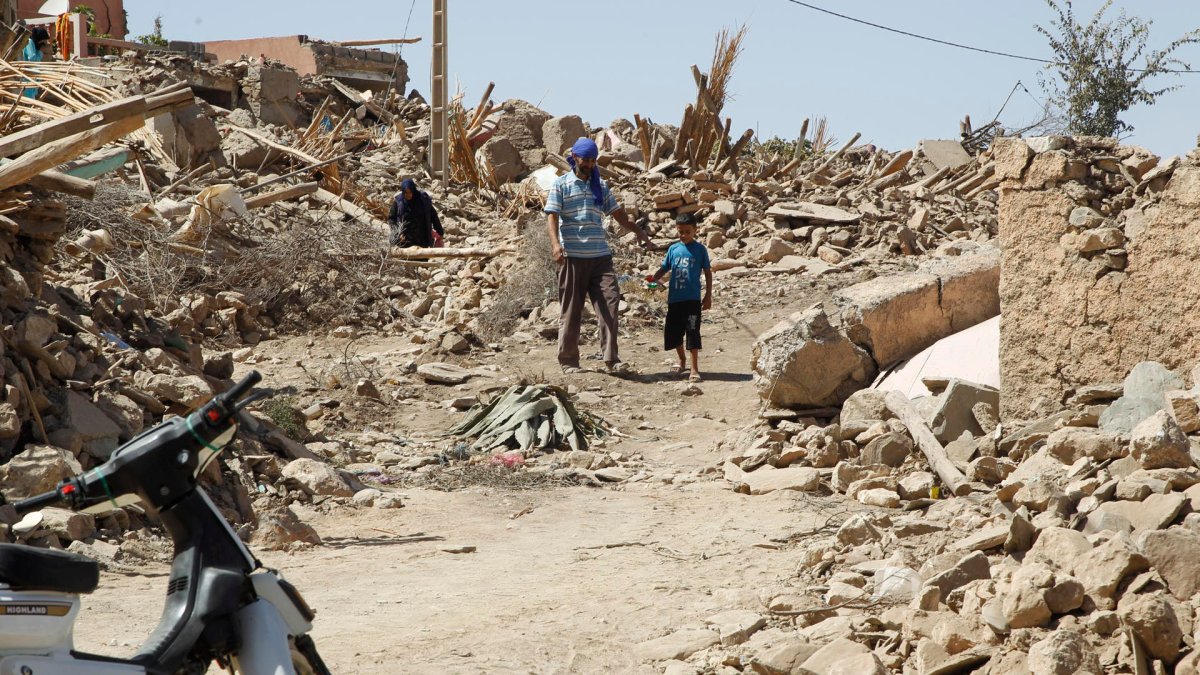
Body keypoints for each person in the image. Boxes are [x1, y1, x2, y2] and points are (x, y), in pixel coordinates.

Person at [545, 137, 654, 374]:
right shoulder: (561, 185)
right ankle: (569, 361)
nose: (590, 164)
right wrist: (555, 245)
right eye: (586, 160)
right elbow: (552, 216)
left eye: (594, 160)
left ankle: (611, 360)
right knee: (571, 310)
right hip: (572, 256)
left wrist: (639, 231)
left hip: (600, 257)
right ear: (574, 157)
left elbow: (619, 215)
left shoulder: (600, 186)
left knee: (610, 304)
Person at [646, 213, 712, 383]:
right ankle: (682, 360)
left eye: (687, 232)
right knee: (674, 332)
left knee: (692, 331)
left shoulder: (700, 250)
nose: (683, 235)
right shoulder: (673, 249)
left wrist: (708, 295)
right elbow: (664, 268)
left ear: (695, 230)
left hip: (692, 301)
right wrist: (653, 279)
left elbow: (708, 272)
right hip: (675, 300)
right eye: (680, 232)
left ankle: (695, 368)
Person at [387, 178, 444, 248]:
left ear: (413, 190)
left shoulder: (423, 200)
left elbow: (433, 216)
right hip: (405, 240)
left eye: (410, 192)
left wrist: (440, 232)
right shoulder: (399, 202)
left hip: (422, 239)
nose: (408, 195)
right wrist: (397, 233)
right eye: (406, 193)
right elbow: (391, 219)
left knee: (422, 257)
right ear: (403, 192)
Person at [21, 27, 50, 100]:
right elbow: (32, 59)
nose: (44, 42)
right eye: (43, 39)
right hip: (28, 76)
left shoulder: (35, 44)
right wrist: (40, 52)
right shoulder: (30, 42)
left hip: (32, 76)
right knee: (29, 98)